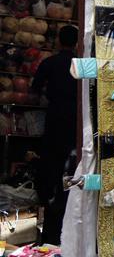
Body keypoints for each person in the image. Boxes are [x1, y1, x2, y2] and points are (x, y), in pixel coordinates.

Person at [30, 24, 78, 244]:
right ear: (76, 43)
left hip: (55, 116)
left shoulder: (50, 63)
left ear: (59, 40)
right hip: (74, 119)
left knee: (52, 163)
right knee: (71, 161)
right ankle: (64, 199)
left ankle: (51, 200)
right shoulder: (81, 65)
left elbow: (35, 89)